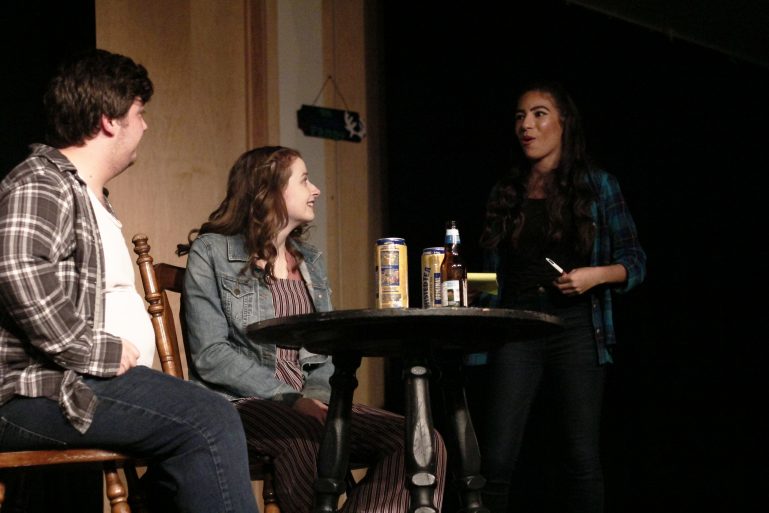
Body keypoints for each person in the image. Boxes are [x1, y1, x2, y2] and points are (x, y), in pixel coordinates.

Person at [0, 48, 259, 513]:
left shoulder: (88, 194)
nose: (145, 126)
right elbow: (18, 268)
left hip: (82, 381)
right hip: (33, 390)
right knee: (208, 418)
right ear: (108, 121)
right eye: (139, 113)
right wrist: (95, 350)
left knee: (196, 434)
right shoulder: (42, 182)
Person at [179, 145, 447, 513]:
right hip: (240, 403)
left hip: (307, 403)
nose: (316, 189)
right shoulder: (211, 252)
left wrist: (318, 399)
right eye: (304, 180)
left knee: (419, 440)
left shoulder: (310, 261)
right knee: (302, 434)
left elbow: (327, 349)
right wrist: (291, 399)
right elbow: (211, 355)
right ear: (270, 190)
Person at [477, 80, 646, 512]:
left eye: (539, 114)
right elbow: (489, 273)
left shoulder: (598, 185)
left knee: (580, 458)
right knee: (495, 459)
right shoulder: (506, 190)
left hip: (575, 327)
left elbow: (635, 261)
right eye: (520, 116)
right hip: (517, 327)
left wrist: (594, 276)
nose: (526, 125)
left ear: (564, 122)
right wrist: (471, 306)